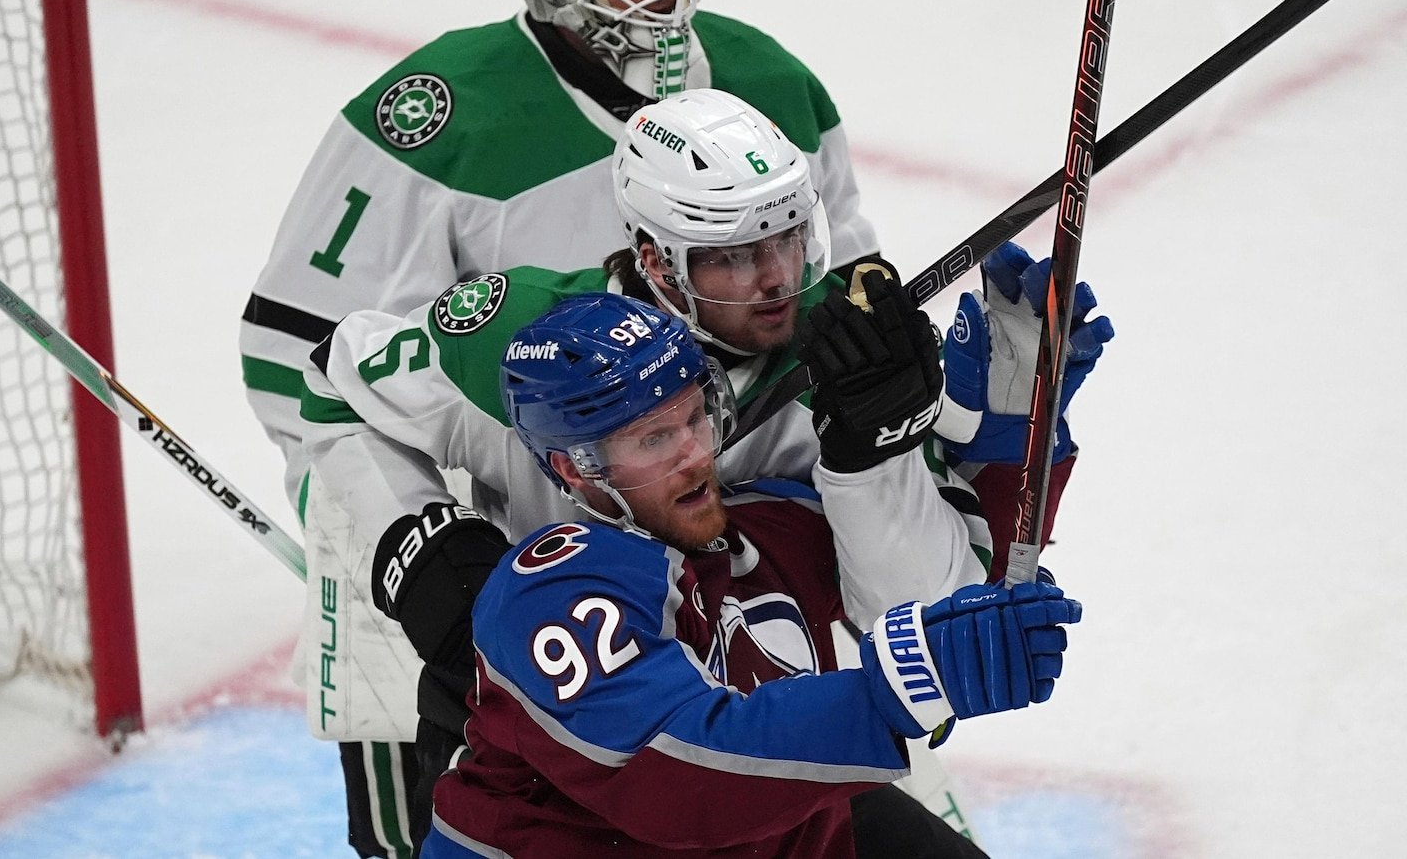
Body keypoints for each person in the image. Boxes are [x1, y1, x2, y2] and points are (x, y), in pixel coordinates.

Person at [304, 89, 1112, 852]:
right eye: (735, 256)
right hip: (544, 716)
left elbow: (919, 616)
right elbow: (331, 389)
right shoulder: (518, 342)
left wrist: (912, 443)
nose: (776, 279)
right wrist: (417, 543)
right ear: (657, 260)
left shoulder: (844, 358)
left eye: (788, 237)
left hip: (757, 734)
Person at [241, 0, 885, 849]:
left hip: (737, 619)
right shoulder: (436, 116)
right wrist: (420, 544)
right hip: (496, 596)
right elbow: (302, 366)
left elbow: (833, 314)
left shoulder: (771, 88)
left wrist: (875, 440)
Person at [417, 292, 1083, 857]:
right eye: (653, 439)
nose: (693, 456)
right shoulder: (553, 589)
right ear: (573, 468)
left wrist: (1010, 441)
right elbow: (677, 773)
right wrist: (895, 691)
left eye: (693, 418)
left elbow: (943, 585)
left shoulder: (765, 527)